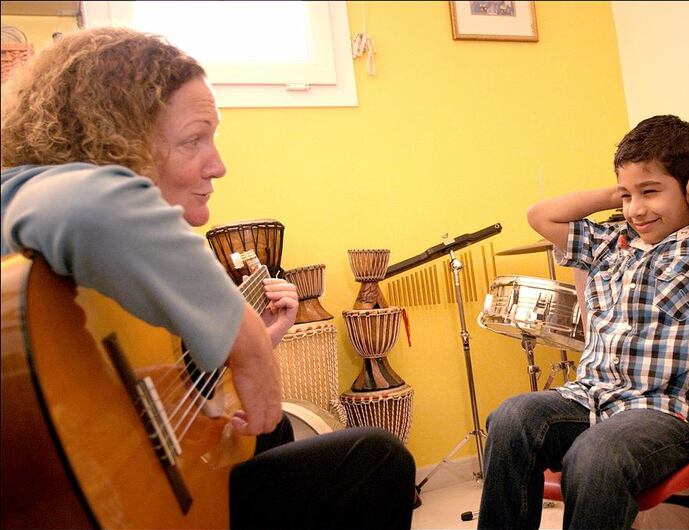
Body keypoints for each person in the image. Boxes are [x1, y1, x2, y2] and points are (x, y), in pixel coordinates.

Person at [1, 27, 415, 529]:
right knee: (372, 459)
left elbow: (106, 386)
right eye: (193, 139)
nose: (217, 165)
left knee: (270, 434)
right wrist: (246, 342)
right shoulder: (26, 192)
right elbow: (86, 205)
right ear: (113, 139)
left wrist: (242, 344)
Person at [477, 115, 689, 529]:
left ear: (688, 189)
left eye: (651, 192)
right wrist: (623, 188)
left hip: (665, 414)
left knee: (596, 453)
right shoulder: (611, 244)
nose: (636, 209)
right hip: (591, 399)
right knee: (511, 417)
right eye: (627, 197)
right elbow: (540, 215)